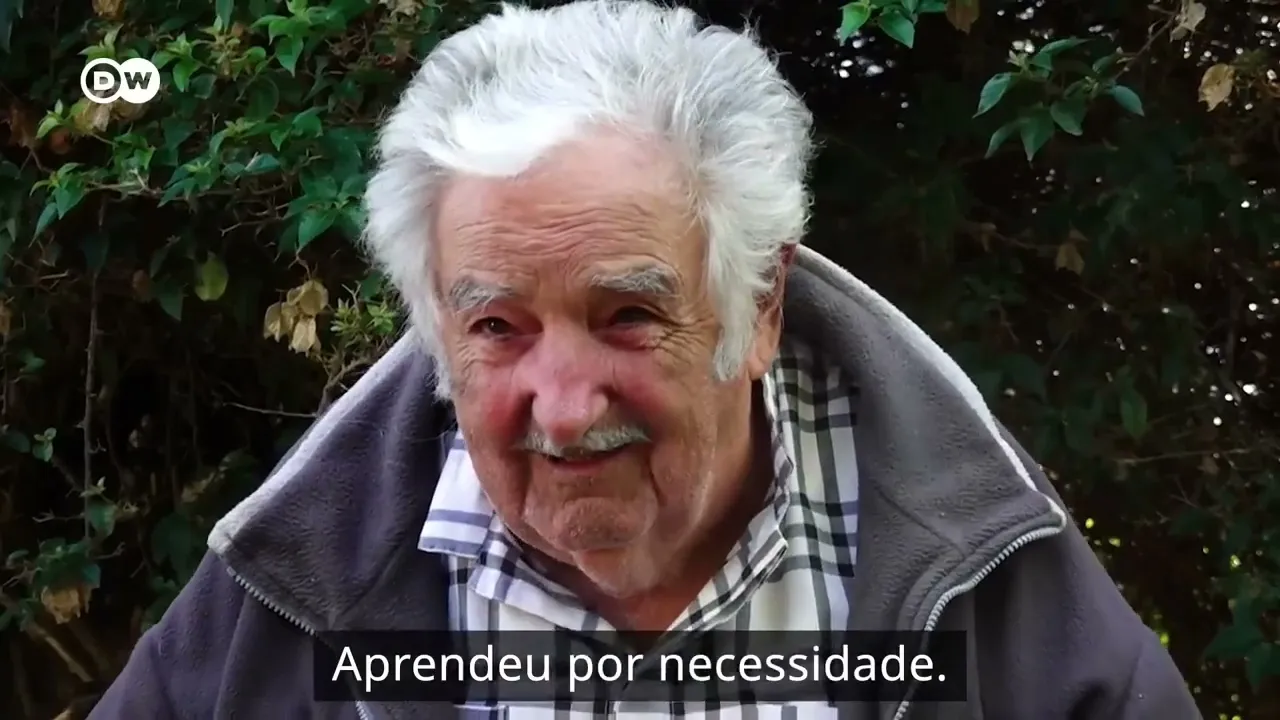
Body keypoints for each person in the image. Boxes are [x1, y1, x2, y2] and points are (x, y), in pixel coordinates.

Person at [88, 1, 1200, 718]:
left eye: (627, 315)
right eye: (497, 328)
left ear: (756, 308)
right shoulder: (290, 589)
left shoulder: (987, 577)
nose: (565, 410)